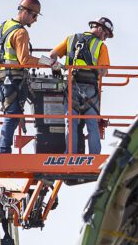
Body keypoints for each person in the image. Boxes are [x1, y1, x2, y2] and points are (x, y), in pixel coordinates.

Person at [0, 0, 62, 153]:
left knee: (11, 114)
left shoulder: (3, 26)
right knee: (12, 115)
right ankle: (3, 151)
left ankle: (3, 150)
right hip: (12, 79)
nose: (35, 20)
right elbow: (24, 60)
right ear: (25, 12)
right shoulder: (21, 32)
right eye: (34, 15)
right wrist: (49, 63)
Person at [47, 17, 113, 154]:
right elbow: (103, 71)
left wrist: (58, 69)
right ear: (100, 28)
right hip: (89, 90)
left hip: (71, 87)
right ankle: (94, 156)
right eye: (105, 34)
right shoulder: (101, 46)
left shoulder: (71, 39)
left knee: (70, 123)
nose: (105, 38)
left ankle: (70, 154)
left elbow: (52, 55)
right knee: (92, 125)